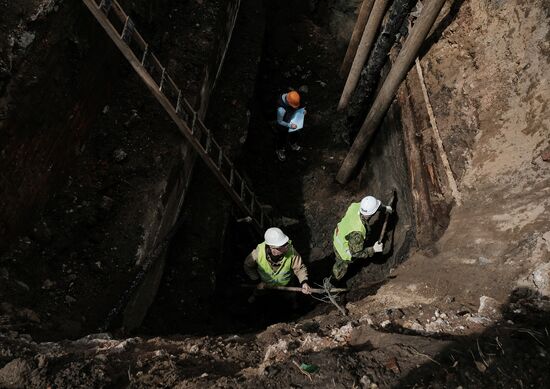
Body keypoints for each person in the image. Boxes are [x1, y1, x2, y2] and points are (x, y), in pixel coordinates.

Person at [332, 195, 393, 280]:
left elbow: (369, 209)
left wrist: (384, 208)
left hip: (339, 233)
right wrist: (373, 249)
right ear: (371, 213)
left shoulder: (356, 206)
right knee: (341, 265)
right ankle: (333, 282)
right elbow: (356, 253)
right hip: (342, 249)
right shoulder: (358, 232)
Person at [244, 227, 311, 302]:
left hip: (286, 285)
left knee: (290, 297)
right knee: (259, 292)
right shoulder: (258, 253)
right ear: (272, 248)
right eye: (282, 246)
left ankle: (293, 304)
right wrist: (257, 281)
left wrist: (304, 282)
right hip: (265, 285)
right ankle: (255, 297)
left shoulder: (291, 251)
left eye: (286, 244)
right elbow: (248, 266)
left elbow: (300, 268)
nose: (286, 247)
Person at [275, 90, 305, 161]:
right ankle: (280, 150)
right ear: (288, 103)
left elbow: (295, 107)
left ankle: (293, 143)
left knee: (295, 133)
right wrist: (290, 125)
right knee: (282, 138)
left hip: (291, 120)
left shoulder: (291, 96)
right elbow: (279, 121)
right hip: (284, 125)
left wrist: (301, 111)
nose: (295, 107)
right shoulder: (281, 110)